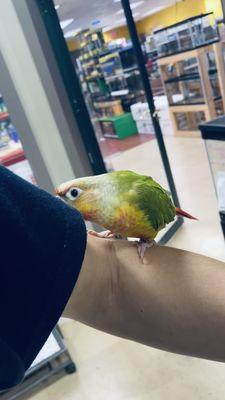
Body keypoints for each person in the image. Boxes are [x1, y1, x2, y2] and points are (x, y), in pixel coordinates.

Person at [1, 165, 225, 391]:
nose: (66, 205)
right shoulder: (106, 212)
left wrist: (145, 241)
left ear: (96, 190)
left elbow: (109, 277)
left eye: (74, 195)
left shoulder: (136, 195)